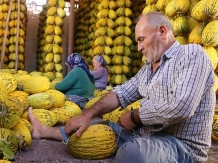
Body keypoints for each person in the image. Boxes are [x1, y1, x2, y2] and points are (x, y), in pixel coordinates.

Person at [28, 12, 216, 163]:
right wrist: (87, 114)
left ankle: (127, 147)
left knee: (133, 154)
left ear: (162, 31)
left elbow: (182, 107)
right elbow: (121, 93)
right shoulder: (149, 68)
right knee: (92, 126)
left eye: (141, 39)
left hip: (181, 147)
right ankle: (44, 132)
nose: (138, 48)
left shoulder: (192, 54)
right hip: (147, 135)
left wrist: (135, 116)